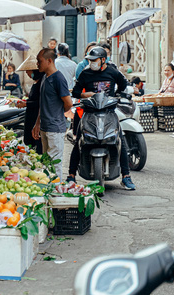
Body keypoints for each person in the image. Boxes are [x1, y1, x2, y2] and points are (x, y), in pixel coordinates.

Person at [69, 46, 136, 190]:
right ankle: (71, 175)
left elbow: (123, 85)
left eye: (95, 60)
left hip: (109, 112)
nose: (91, 62)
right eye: (90, 60)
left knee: (120, 140)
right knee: (79, 140)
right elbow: (75, 92)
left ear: (103, 60)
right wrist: (84, 95)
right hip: (89, 112)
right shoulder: (85, 74)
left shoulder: (112, 72)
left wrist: (116, 96)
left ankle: (126, 176)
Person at [32, 48, 73, 181]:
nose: (37, 64)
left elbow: (68, 103)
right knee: (46, 163)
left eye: (40, 61)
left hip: (55, 128)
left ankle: (55, 191)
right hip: (44, 127)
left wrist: (57, 113)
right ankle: (48, 189)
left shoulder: (59, 78)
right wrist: (37, 123)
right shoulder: (45, 77)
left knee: (54, 165)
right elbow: (43, 103)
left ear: (49, 61)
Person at [15, 55, 44, 153]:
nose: (27, 73)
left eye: (28, 71)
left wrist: (26, 104)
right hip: (31, 116)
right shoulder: (36, 82)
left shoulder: (42, 83)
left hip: (36, 117)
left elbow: (40, 102)